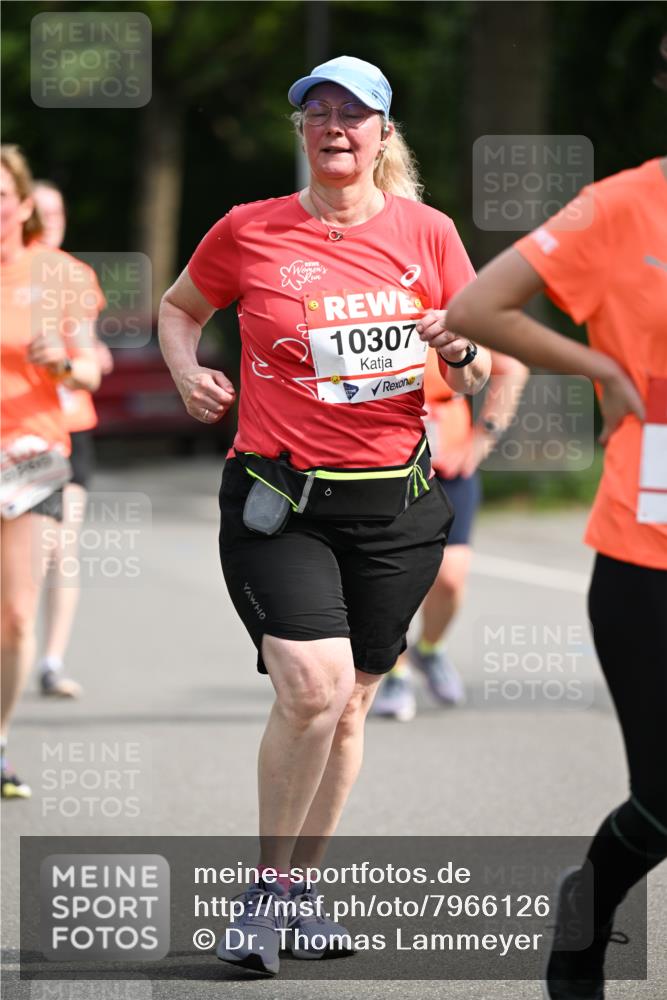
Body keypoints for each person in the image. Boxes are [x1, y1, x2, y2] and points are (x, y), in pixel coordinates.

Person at [159, 55, 491, 975]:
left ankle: (301, 895)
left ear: (385, 134)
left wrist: (460, 345)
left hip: (397, 508)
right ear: (301, 130)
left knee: (349, 705)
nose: (336, 127)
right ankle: (262, 901)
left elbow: (476, 369)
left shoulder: (427, 234)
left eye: (356, 114)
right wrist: (188, 371)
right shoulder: (249, 230)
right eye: (319, 113)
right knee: (310, 687)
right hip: (282, 500)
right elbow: (181, 307)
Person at [445, 155, 666, 1000]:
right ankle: (589, 905)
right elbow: (475, 308)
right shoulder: (619, 207)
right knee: (664, 796)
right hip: (648, 551)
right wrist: (599, 368)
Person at [1, 146, 101, 798]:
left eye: (0, 194)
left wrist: (61, 363)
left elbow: (90, 369)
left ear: (23, 203)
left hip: (30, 452)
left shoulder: (61, 274)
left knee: (13, 615)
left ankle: (0, 739)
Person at [372, 346, 528, 721]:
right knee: (391, 580)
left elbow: (512, 368)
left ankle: (430, 649)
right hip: (383, 467)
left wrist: (484, 436)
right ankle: (394, 670)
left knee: (451, 578)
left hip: (449, 465)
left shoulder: (449, 311)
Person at [31, 180, 113, 698]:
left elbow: (83, 347)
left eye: (59, 211)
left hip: (69, 427)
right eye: (42, 212)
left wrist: (85, 361)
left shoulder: (75, 275)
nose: (53, 220)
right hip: (17, 430)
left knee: (61, 547)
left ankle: (51, 661)